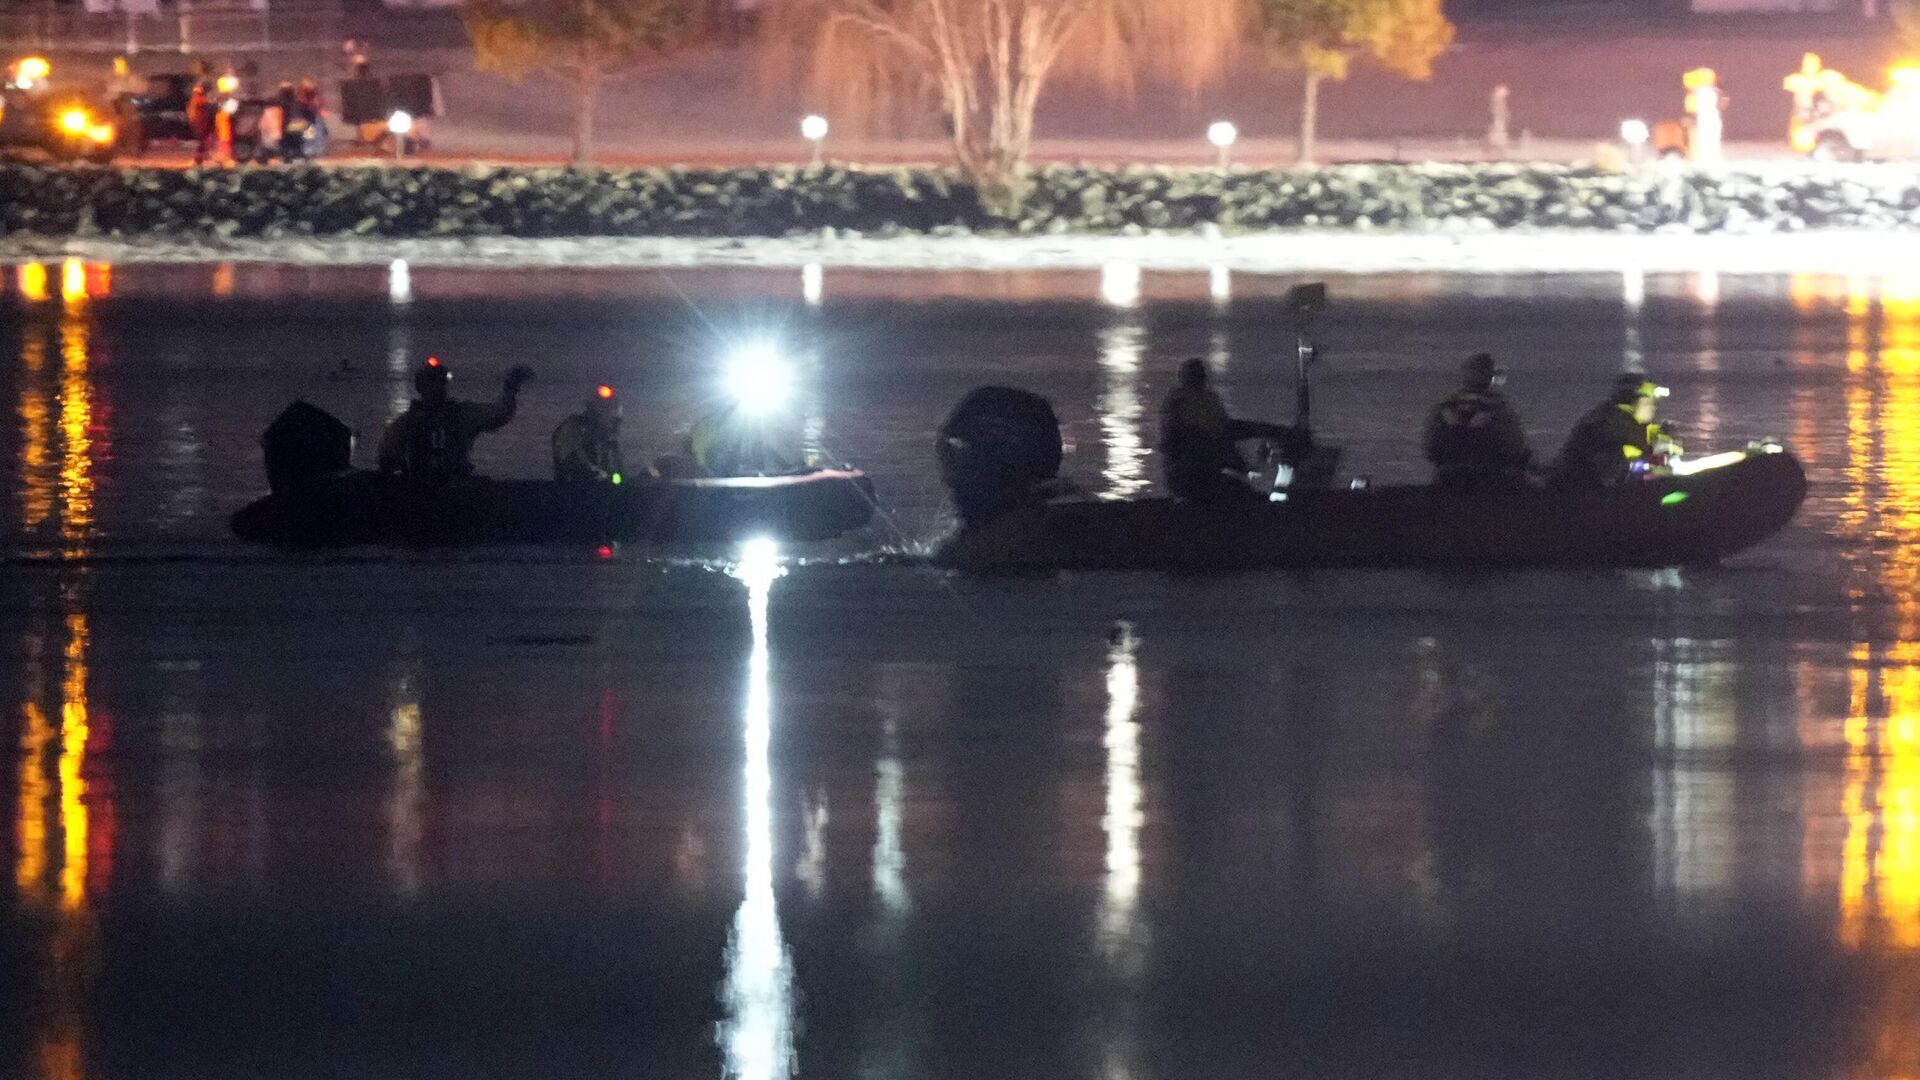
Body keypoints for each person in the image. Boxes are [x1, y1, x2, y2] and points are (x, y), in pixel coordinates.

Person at [1158, 357, 1302, 505]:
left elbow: (1226, 430)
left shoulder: (1207, 400)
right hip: (1189, 476)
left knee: (1244, 492)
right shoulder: (1179, 403)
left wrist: (1271, 431)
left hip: (1206, 472)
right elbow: (1210, 437)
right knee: (1245, 497)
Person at [378, 358, 534, 484]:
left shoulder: (463, 414)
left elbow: (499, 414)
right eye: (432, 382)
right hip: (419, 492)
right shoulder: (405, 424)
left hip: (457, 490)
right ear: (421, 387)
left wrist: (510, 388)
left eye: (440, 382)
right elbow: (386, 459)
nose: (437, 387)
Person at [1553, 373, 1681, 488]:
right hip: (1587, 493)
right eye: (1649, 400)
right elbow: (1635, 460)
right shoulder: (1614, 423)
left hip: (1585, 487)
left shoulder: (1610, 418)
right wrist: (1661, 449)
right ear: (1633, 400)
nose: (1654, 406)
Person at [1423, 353, 1531, 489]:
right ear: (1489, 376)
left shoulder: (1446, 404)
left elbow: (1430, 447)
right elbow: (1514, 445)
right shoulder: (1499, 406)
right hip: (1492, 478)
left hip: (1449, 475)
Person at [552, 385, 626, 485]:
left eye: (617, 421)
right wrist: (595, 472)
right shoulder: (573, 428)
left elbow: (617, 474)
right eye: (614, 421)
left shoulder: (604, 439)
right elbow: (574, 457)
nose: (616, 426)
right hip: (576, 485)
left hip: (596, 484)